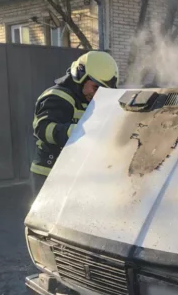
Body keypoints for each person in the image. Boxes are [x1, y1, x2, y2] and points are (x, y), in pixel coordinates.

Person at [30, 51, 119, 197]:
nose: (98, 94)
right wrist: (80, 133)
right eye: (96, 87)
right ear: (80, 76)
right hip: (49, 173)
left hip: (76, 174)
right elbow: (43, 129)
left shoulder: (89, 100)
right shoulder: (57, 97)